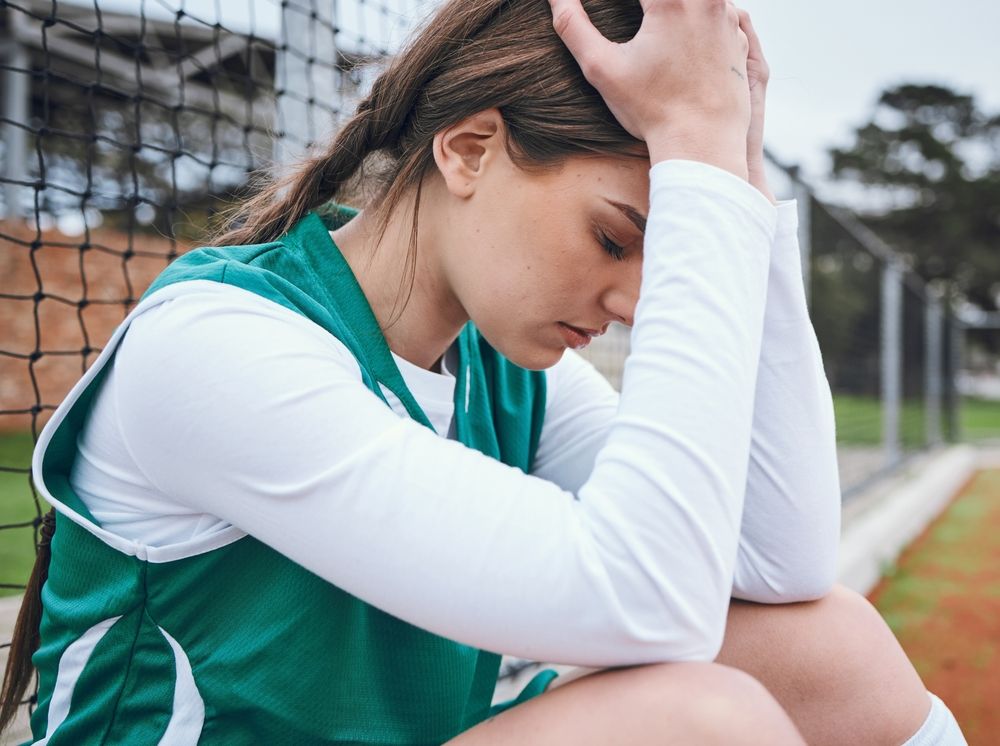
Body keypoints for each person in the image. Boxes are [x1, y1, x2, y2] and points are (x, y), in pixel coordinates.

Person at [0, 0, 969, 743]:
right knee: (695, 717)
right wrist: (697, 155)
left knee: (822, 642)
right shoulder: (217, 349)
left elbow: (776, 563)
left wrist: (734, 177)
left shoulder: (506, 369)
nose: (636, 299)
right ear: (468, 150)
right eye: (615, 236)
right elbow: (642, 594)